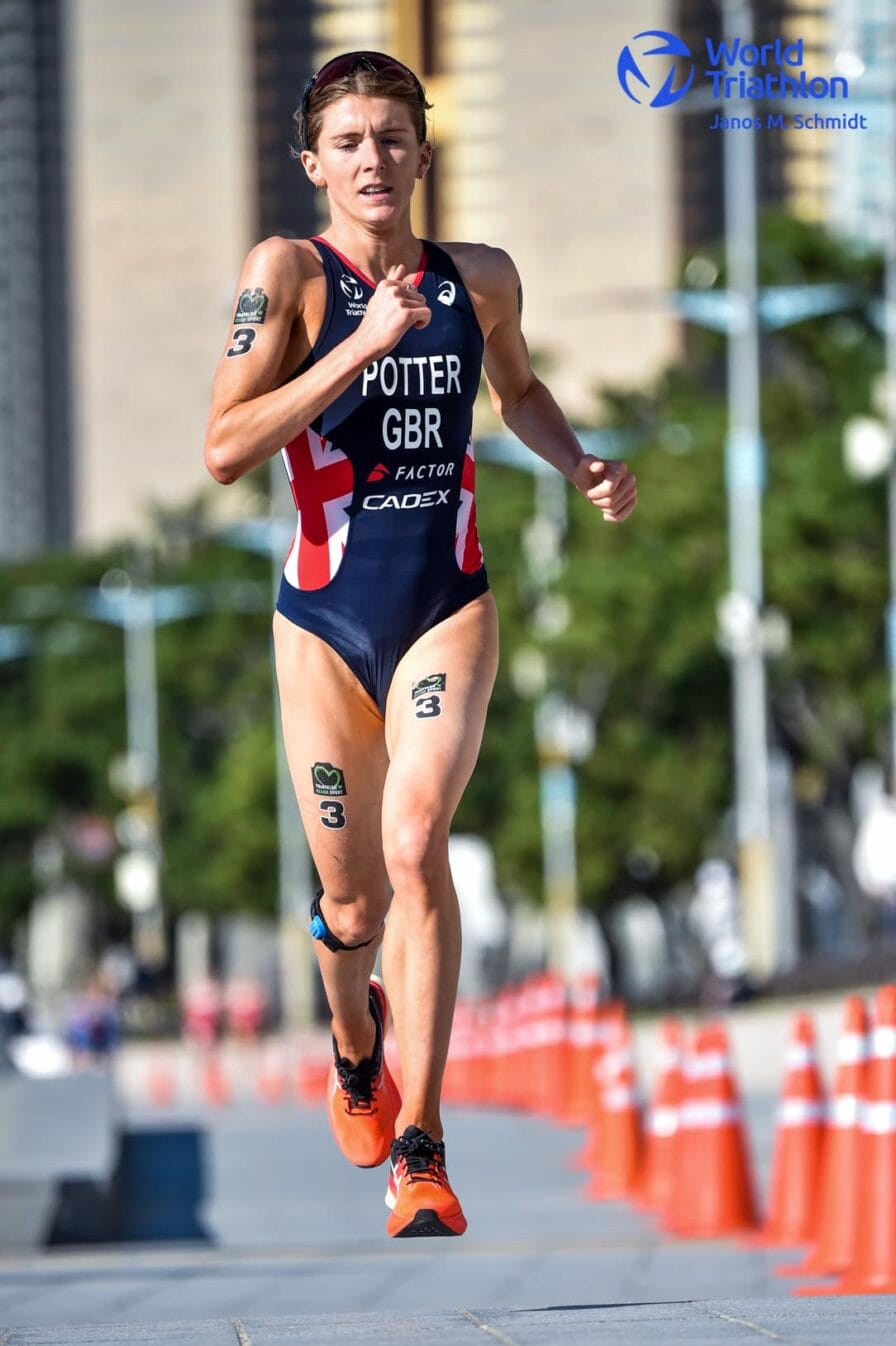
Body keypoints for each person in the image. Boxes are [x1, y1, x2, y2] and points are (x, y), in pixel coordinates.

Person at [204, 50, 637, 1238]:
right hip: (321, 626)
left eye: (391, 139)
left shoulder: (478, 278)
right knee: (349, 904)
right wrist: (357, 345)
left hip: (448, 601)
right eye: (347, 143)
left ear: (423, 154)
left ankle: (423, 1143)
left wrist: (576, 459)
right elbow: (225, 445)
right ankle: (356, 1048)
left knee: (415, 844)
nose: (372, 161)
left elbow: (519, 391)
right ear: (312, 164)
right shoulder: (286, 273)